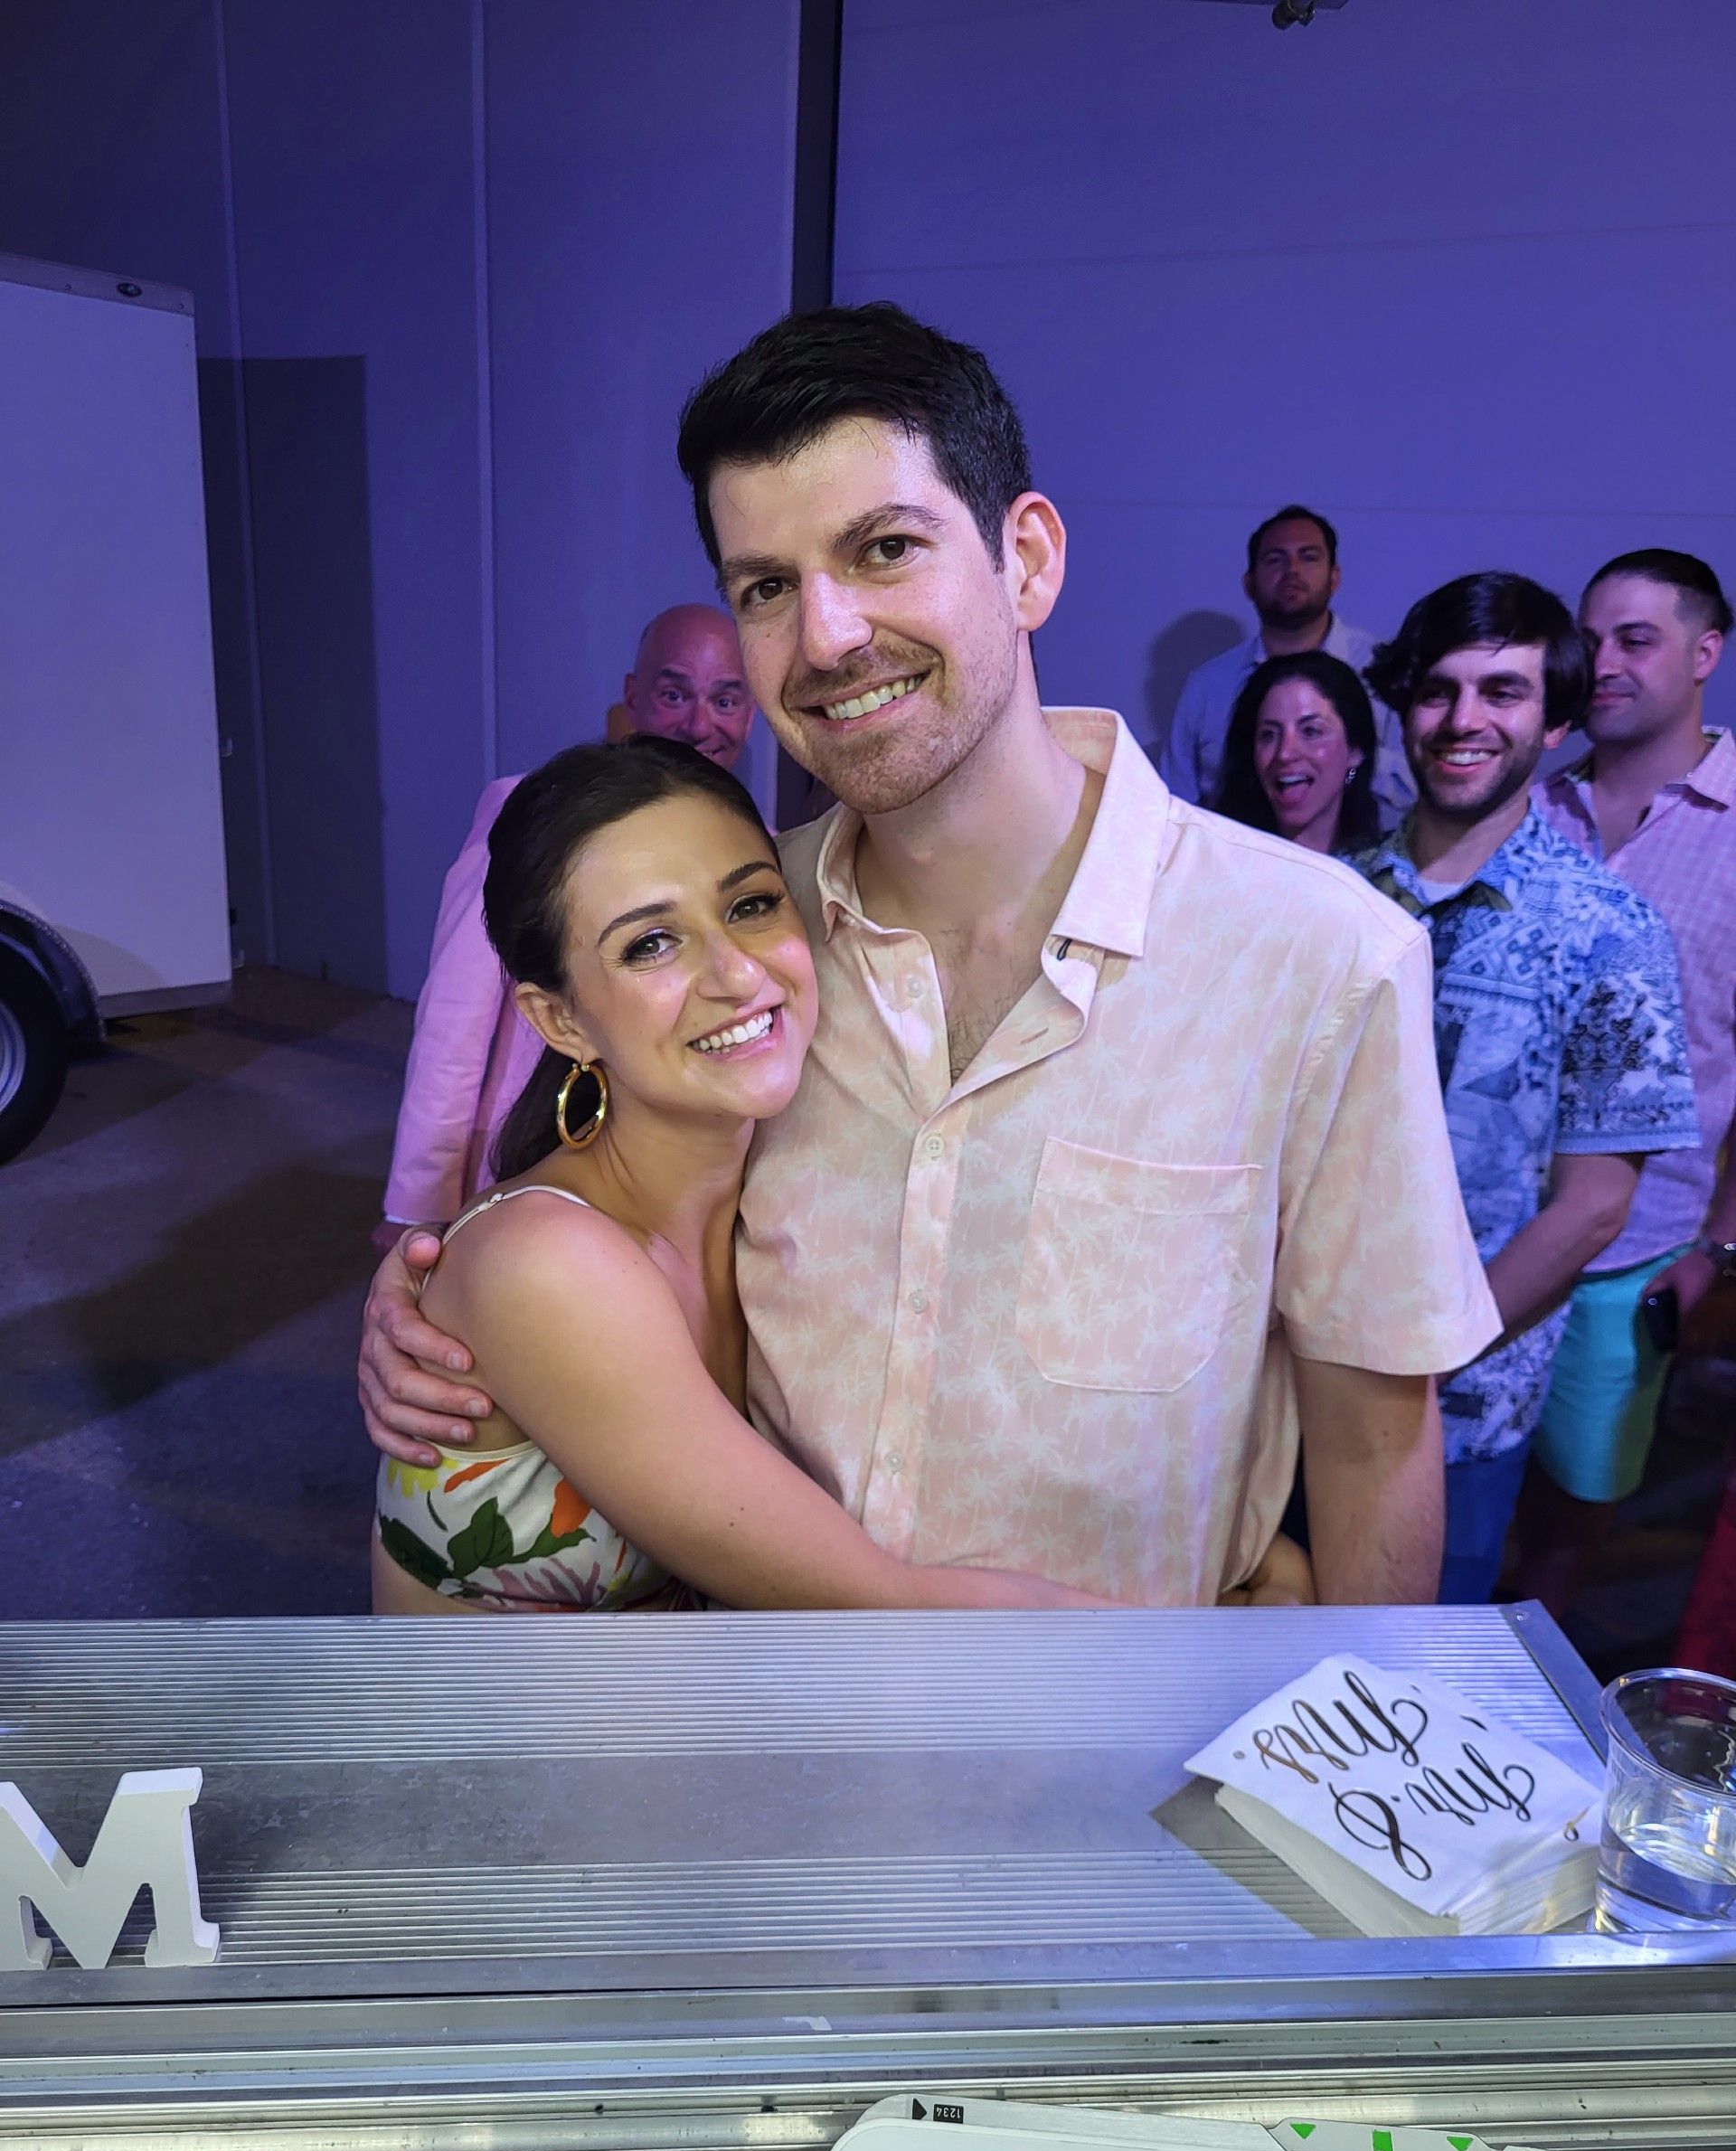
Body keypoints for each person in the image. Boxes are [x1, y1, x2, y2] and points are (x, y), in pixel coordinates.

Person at [362, 301, 1503, 1609]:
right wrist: (436, 1292)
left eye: (886, 549)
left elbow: (1372, 1435)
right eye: (767, 588)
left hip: (1128, 1727)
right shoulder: (757, 944)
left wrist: (1336, 1694)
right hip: (765, 1697)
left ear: (1028, 561)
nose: (828, 636)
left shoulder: (1316, 955)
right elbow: (599, 1219)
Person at [373, 735, 1137, 1614]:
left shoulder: (782, 1179)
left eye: (751, 904)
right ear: (561, 1021)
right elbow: (881, 1604)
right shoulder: (549, 1264)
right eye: (651, 944)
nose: (737, 974)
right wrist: (1210, 1652)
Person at [1353, 573, 1699, 1607]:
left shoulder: (1608, 932)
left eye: (1501, 692)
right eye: (1438, 690)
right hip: (1288, 1379)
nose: (1463, 719)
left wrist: (1428, 1354)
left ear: (1554, 723)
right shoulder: (1333, 899)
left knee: (1404, 1671)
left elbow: (1595, 1206)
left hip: (1456, 1408)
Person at [376, 606, 755, 1250]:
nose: (700, 725)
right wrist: (418, 1202)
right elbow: (454, 1018)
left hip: (670, 1167)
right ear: (633, 696)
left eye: (725, 700)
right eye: (674, 695)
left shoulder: (754, 844)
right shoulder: (533, 813)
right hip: (529, 1140)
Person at [1515, 550, 1736, 1613]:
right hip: (1493, 1231)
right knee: (1464, 1495)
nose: (1601, 661)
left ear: (1705, 653)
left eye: (1635, 640)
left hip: (1640, 1252)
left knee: (1572, 1523)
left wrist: (1719, 1254)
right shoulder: (1528, 808)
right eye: (1590, 638)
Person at [1159, 505, 1412, 825]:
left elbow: (1415, 788)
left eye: (1308, 557)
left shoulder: (1384, 668)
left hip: (1364, 852)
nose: (1292, 570)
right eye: (1275, 560)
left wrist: (1345, 765)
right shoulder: (1207, 686)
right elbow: (1172, 808)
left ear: (1334, 577)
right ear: (1249, 583)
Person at [1212, 651, 1383, 856]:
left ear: (1356, 750)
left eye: (1310, 731)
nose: (1284, 753)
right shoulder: (1214, 861)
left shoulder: (1384, 871)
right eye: (1269, 735)